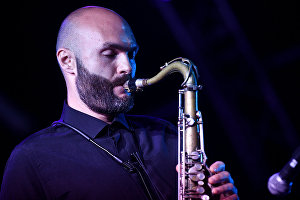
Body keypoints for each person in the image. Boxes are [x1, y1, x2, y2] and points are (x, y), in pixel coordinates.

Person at [0, 6, 239, 200]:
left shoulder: (167, 135)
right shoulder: (32, 161)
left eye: (131, 54)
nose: (128, 67)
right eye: (110, 54)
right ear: (68, 61)